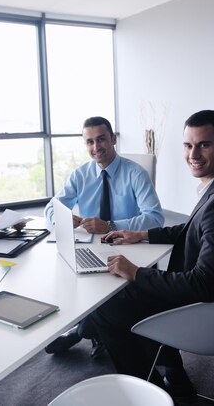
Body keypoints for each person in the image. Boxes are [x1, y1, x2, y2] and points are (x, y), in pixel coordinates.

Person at [91, 110, 214, 403]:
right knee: (130, 294)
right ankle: (171, 371)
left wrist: (136, 272)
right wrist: (143, 235)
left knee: (107, 306)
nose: (193, 154)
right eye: (188, 145)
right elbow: (193, 230)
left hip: (211, 314)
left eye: (204, 145)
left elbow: (202, 284)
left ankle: (148, 393)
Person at [44, 116, 164, 357]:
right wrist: (64, 219)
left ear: (113, 139)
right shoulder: (80, 175)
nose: (95, 147)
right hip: (92, 248)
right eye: (89, 142)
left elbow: (155, 218)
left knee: (107, 294)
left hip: (130, 250)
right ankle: (91, 330)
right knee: (65, 273)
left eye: (101, 139)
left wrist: (110, 225)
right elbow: (51, 209)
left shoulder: (135, 174)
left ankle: (82, 331)